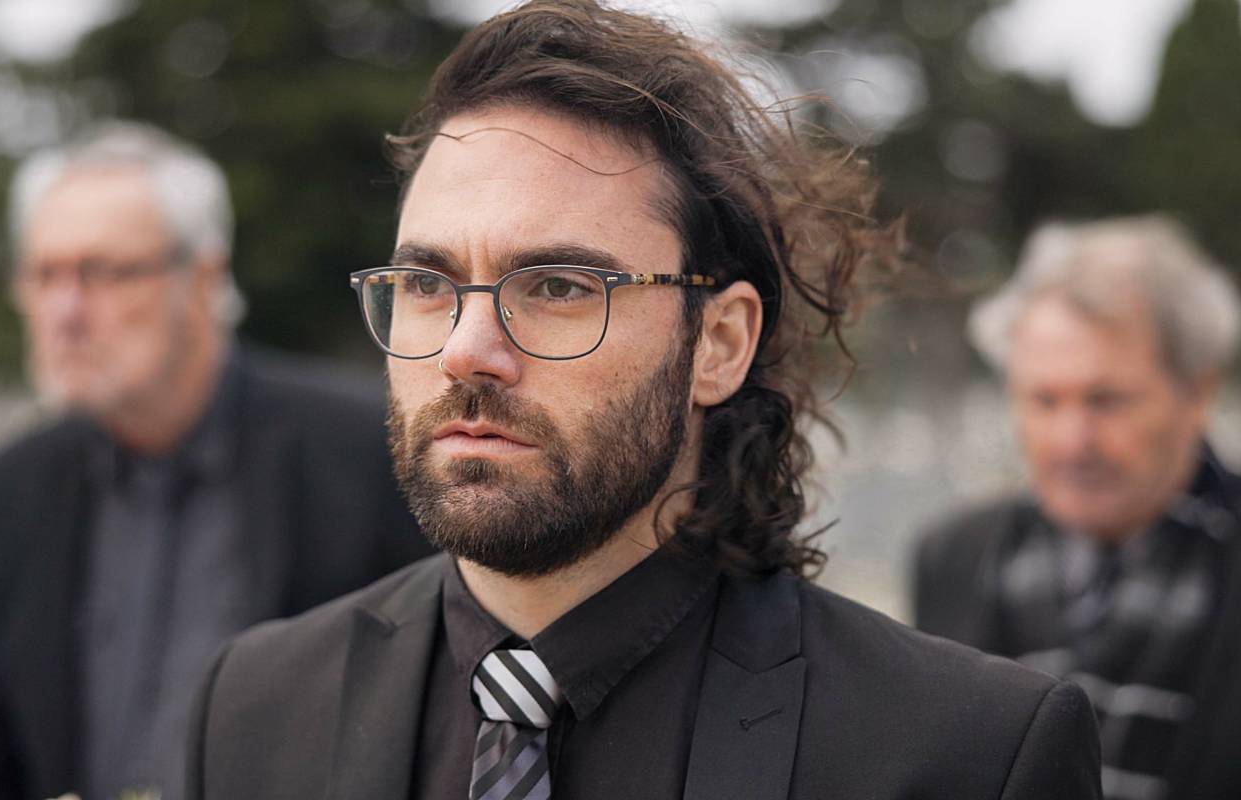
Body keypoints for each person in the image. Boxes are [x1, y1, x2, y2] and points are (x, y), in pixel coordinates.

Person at [185, 2, 1103, 798]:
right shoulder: (255, 707)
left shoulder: (966, 755)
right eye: (428, 284)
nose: (467, 351)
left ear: (719, 344)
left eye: (556, 288)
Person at [0, 122, 431, 800]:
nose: (65, 310)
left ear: (203, 278)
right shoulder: (10, 489)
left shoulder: (366, 450)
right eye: (44, 274)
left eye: (103, 273)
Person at [914, 215, 1241, 800]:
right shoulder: (953, 556)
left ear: (1199, 393)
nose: (1071, 440)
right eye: (1044, 400)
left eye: (1107, 400)